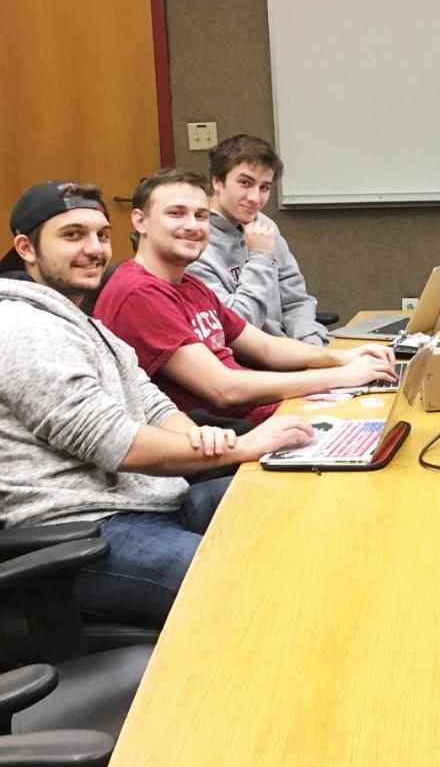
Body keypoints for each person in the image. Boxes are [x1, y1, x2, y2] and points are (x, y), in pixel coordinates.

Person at [0, 180, 315, 626]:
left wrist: (195, 434)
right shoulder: (22, 328)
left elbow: (150, 403)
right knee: (259, 586)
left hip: (148, 500)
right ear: (26, 249)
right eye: (73, 235)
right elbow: (115, 443)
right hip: (81, 530)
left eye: (101, 235)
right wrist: (238, 448)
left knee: (302, 501)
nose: (94, 249)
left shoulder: (80, 321)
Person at [95, 169, 396, 425]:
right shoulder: (139, 293)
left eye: (200, 216)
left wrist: (342, 357)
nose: (192, 225)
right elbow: (224, 389)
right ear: (140, 221)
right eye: (176, 213)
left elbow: (264, 347)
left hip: (266, 416)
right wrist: (341, 376)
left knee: (394, 416)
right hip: (232, 436)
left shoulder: (189, 284)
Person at [187, 133, 330, 344]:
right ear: (217, 181)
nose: (255, 198)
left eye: (264, 187)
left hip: (287, 353)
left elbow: (295, 301)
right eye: (245, 183)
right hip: (244, 363)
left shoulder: (264, 224)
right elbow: (234, 328)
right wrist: (261, 257)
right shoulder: (194, 239)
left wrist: (314, 347)